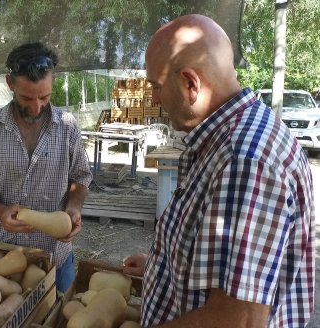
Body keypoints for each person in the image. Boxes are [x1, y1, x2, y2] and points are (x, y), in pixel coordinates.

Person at [123, 14, 314, 327]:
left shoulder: (244, 161)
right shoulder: (230, 137)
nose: (154, 99)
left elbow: (236, 320)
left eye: (157, 86)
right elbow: (227, 261)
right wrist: (161, 268)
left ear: (190, 83)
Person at [0, 42, 92, 293]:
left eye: (44, 97)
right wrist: (0, 211)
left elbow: (81, 176)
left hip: (56, 254)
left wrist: (74, 208)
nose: (36, 107)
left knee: (57, 316)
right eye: (26, 98)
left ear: (53, 82)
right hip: (2, 250)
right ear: (10, 83)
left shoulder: (67, 127)